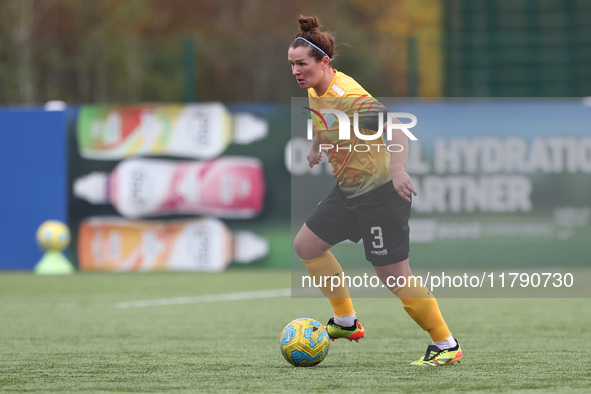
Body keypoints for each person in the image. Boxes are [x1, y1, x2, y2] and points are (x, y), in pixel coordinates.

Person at [288, 15, 462, 366]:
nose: (295, 70)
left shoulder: (349, 96)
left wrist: (398, 170)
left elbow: (395, 129)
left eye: (301, 63)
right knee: (307, 245)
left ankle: (447, 345)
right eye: (291, 64)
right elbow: (325, 120)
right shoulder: (314, 87)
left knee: (396, 279)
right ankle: (345, 322)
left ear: (324, 62)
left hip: (381, 195)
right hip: (349, 190)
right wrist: (316, 146)